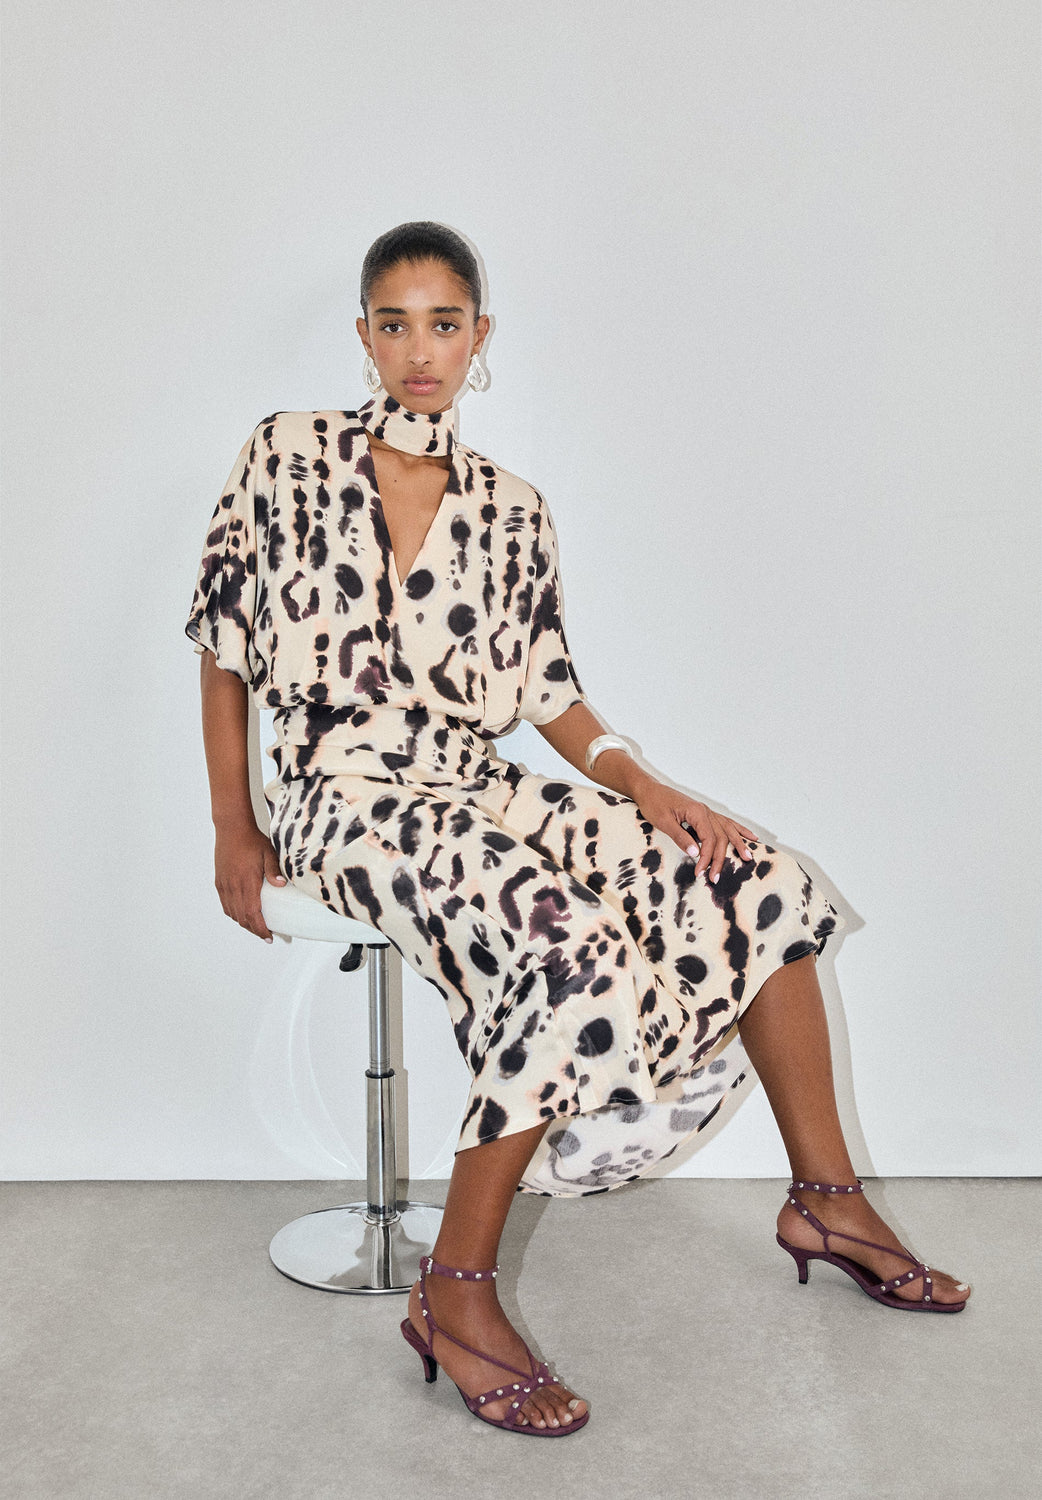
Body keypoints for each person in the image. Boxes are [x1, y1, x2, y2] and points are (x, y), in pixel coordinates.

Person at [186, 221, 971, 1438]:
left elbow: (548, 692)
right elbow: (223, 643)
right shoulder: (285, 454)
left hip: (472, 779)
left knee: (755, 879)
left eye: (444, 323)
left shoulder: (512, 509)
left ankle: (827, 1200)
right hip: (347, 793)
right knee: (566, 942)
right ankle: (455, 1292)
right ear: (363, 337)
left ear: (478, 337)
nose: (420, 350)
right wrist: (235, 823)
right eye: (394, 324)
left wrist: (642, 783)